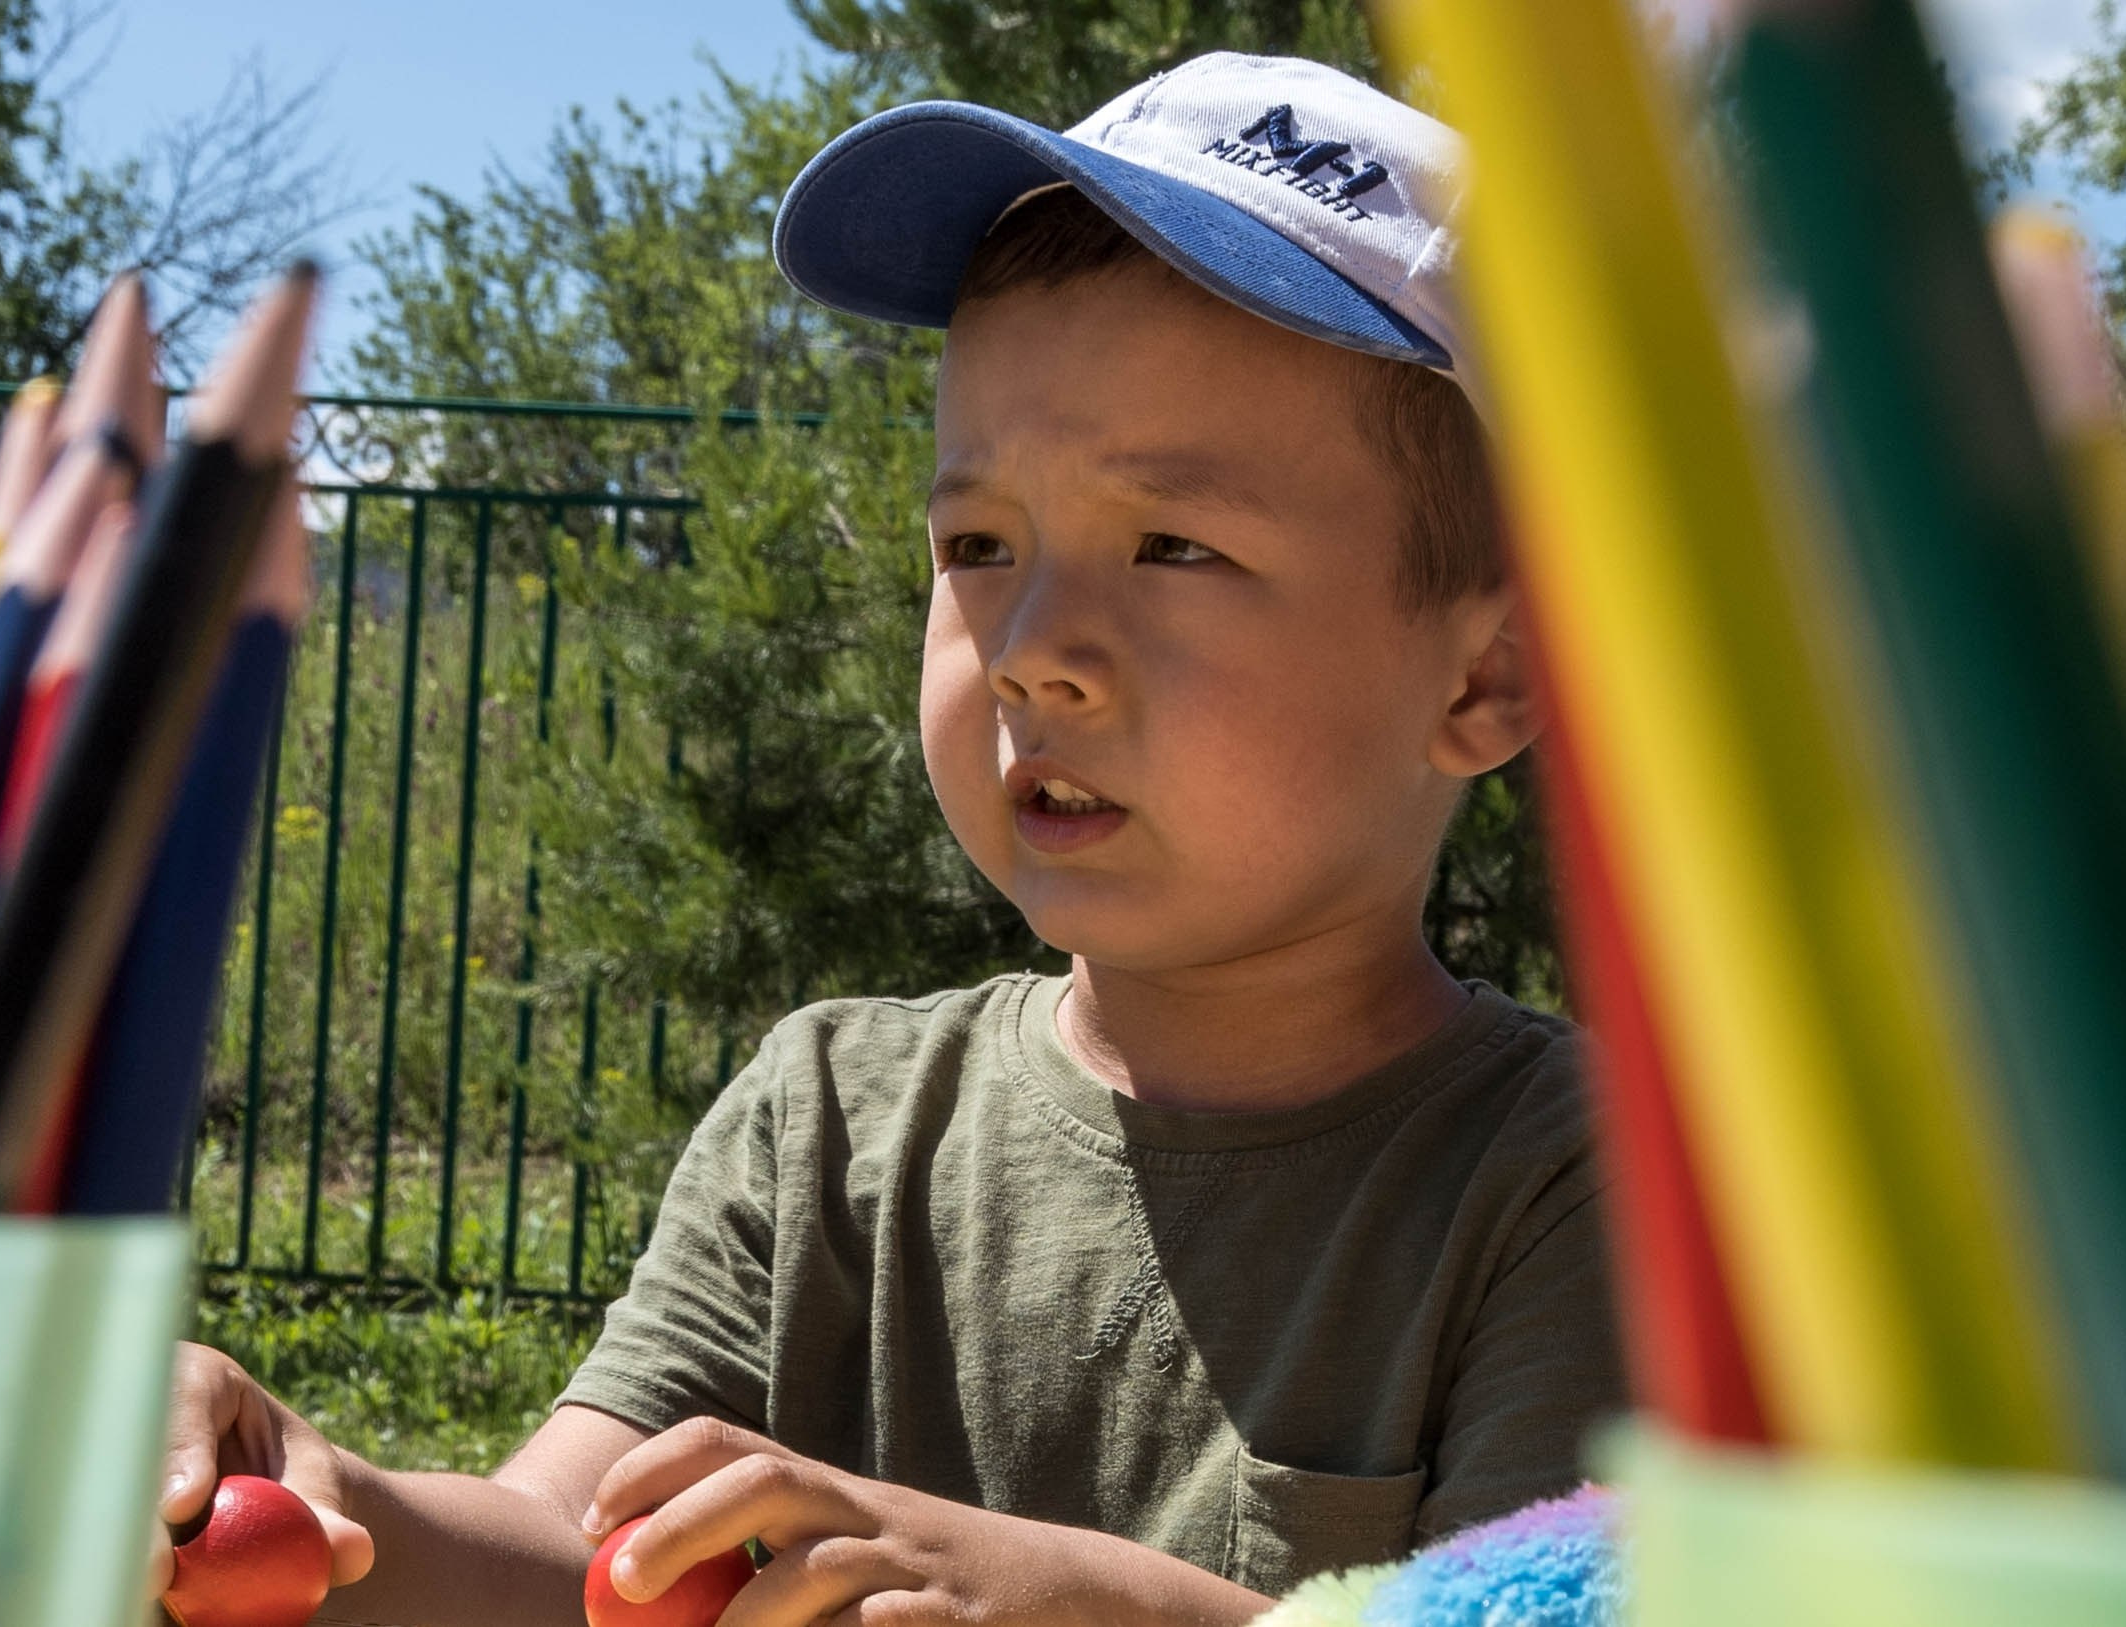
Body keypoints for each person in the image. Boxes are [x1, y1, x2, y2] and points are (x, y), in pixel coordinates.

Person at [154, 52, 1628, 1627]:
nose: (1033, 645)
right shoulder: (832, 1123)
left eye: (1175, 545)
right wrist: (330, 1498)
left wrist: (1094, 1608)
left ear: (1486, 676)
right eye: (979, 544)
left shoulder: (1579, 1187)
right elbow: (568, 1554)